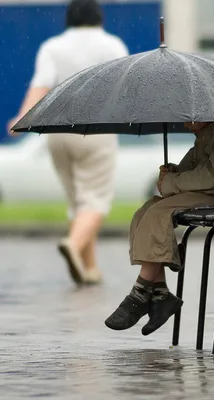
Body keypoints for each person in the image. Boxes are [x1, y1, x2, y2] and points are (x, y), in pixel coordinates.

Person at [8, 0, 129, 285]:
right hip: (96, 130)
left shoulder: (53, 46)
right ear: (99, 16)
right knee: (95, 202)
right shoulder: (112, 45)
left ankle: (89, 269)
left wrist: (22, 118)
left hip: (58, 131)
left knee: (78, 203)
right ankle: (73, 245)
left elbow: (41, 84)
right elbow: (124, 87)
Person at [105, 122, 214, 335]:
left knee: (158, 213)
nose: (186, 123)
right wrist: (173, 172)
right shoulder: (203, 137)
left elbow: (212, 178)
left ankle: (140, 292)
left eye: (191, 119)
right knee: (144, 212)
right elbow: (194, 170)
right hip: (202, 193)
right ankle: (160, 294)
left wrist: (172, 181)